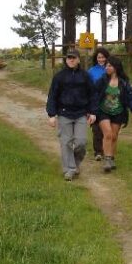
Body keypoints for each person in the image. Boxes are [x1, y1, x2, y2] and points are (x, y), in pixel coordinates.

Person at [45, 48, 97, 181]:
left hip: (81, 113)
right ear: (66, 59)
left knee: (81, 142)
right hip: (64, 113)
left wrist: (93, 112)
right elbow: (52, 96)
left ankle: (74, 162)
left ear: (79, 60)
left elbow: (92, 95)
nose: (71, 60)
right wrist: (51, 115)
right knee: (66, 143)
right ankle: (69, 169)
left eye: (74, 58)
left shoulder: (85, 76)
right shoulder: (59, 76)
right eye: (69, 58)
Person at [95, 56, 132, 173]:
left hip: (118, 112)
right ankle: (107, 160)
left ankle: (111, 158)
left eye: (109, 65)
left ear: (115, 67)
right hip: (103, 111)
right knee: (108, 134)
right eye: (106, 65)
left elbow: (131, 97)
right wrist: (91, 111)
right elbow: (94, 95)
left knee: (114, 136)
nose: (106, 68)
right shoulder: (102, 81)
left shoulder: (124, 83)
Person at [87, 47, 111, 161]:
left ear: (106, 57)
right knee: (96, 128)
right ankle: (98, 152)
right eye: (99, 57)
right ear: (96, 58)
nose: (101, 59)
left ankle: (107, 151)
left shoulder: (111, 69)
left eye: (103, 57)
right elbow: (88, 87)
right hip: (95, 102)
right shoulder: (91, 71)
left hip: (109, 102)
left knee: (107, 129)